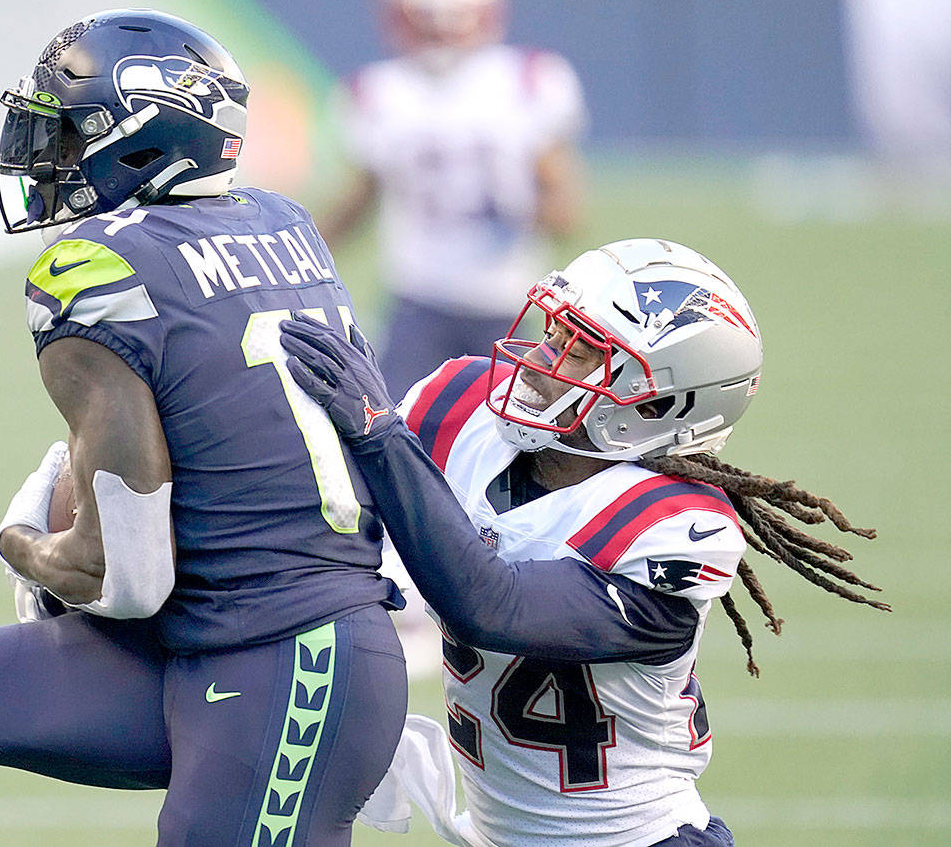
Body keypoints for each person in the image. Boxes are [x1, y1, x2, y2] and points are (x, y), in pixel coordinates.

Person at [0, 10, 409, 846]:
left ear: (140, 140)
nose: (45, 155)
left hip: (288, 657)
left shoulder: (96, 271)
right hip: (216, 637)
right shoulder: (281, 219)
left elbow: (127, 577)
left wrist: (24, 542)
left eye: (67, 131)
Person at [278, 239, 888, 846]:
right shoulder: (458, 408)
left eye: (582, 351)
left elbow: (491, 607)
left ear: (660, 403)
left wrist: (381, 437)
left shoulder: (675, 528)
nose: (543, 357)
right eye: (556, 331)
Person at [319, 0, 586, 396]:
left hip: (487, 302)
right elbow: (565, 213)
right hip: (440, 298)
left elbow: (563, 212)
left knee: (403, 425)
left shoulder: (375, 90)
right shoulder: (528, 78)